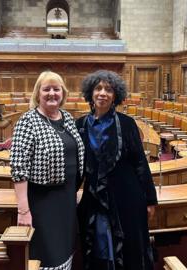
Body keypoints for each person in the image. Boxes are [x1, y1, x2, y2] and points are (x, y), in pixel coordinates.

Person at [76, 70, 157, 270]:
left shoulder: (127, 123)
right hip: (94, 197)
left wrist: (150, 199)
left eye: (108, 90)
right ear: (91, 93)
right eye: (98, 88)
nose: (102, 93)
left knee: (129, 247)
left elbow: (140, 162)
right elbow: (76, 166)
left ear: (115, 96)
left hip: (126, 195)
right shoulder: (80, 125)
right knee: (97, 243)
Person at [10, 71, 85, 269]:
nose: (52, 93)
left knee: (65, 248)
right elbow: (19, 167)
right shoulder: (27, 121)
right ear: (37, 94)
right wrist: (23, 210)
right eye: (46, 89)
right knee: (48, 255)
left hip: (67, 199)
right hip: (42, 202)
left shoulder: (67, 118)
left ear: (63, 93)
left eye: (56, 89)